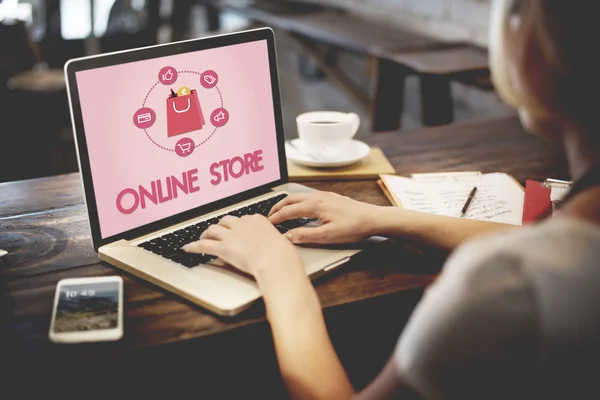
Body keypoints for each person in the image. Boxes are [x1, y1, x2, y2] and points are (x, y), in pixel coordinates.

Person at [184, 0, 600, 398]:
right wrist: (385, 218)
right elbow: (545, 241)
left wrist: (276, 268)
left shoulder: (504, 284)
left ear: (553, 50)